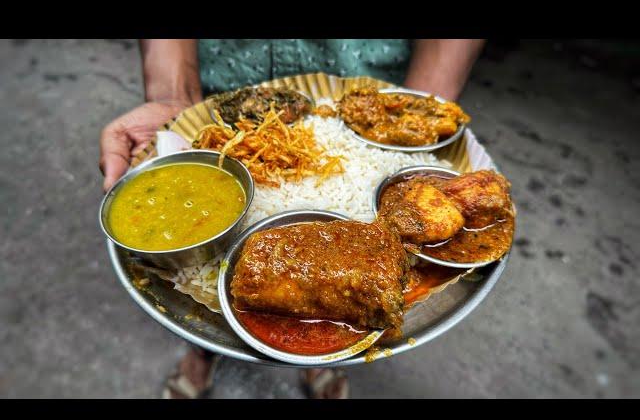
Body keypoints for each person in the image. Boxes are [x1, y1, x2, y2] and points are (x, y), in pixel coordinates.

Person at [100, 39, 485, 399]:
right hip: (221, 96)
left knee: (349, 297)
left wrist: (422, 109)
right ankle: (201, 351)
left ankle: (323, 361)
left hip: (360, 79)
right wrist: (175, 100)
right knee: (196, 291)